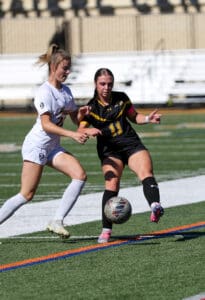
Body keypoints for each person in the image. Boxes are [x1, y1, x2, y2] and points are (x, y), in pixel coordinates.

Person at [0, 44, 100, 238]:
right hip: (37, 146)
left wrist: (82, 121)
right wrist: (72, 135)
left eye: (69, 68)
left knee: (79, 175)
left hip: (52, 147)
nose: (68, 72)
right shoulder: (44, 92)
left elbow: (73, 117)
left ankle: (57, 221)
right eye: (65, 68)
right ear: (54, 68)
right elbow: (46, 125)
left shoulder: (66, 91)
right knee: (26, 195)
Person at [78, 68, 164, 243]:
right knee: (112, 182)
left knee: (146, 173)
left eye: (109, 84)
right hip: (109, 151)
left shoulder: (122, 98)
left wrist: (147, 119)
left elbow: (134, 117)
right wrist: (87, 129)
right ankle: (106, 230)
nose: (106, 87)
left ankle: (155, 205)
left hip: (131, 144)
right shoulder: (91, 107)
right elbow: (80, 129)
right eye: (102, 84)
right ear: (96, 84)